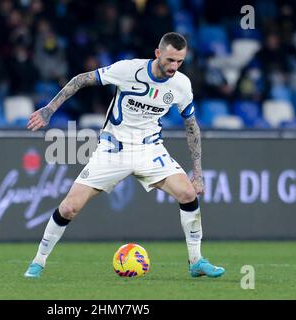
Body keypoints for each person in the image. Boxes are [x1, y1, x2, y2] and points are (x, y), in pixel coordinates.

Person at [25, 32, 225, 279]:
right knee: (69, 208)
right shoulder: (128, 70)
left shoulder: (181, 85)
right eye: (170, 60)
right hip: (113, 149)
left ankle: (196, 261)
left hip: (150, 149)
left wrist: (198, 173)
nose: (174, 67)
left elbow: (192, 126)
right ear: (158, 53)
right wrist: (49, 109)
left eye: (180, 62)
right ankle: (38, 262)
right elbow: (80, 79)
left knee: (187, 193)